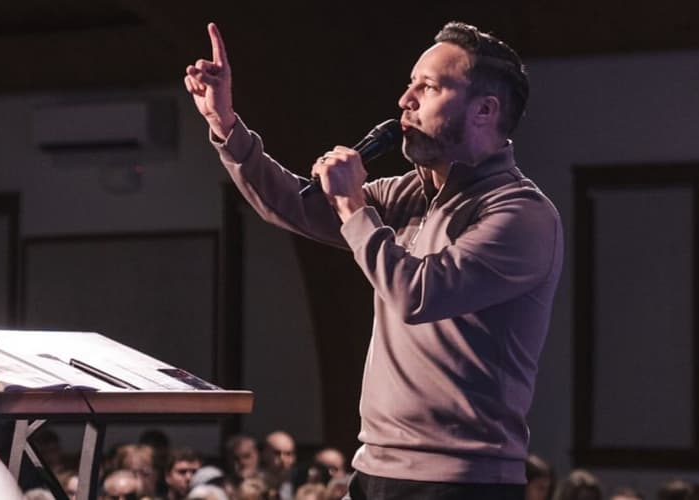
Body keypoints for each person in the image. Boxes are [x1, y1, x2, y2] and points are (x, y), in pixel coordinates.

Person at [185, 18, 563, 499]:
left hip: (459, 481)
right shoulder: (407, 192)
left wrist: (351, 207)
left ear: (484, 110)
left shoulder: (520, 214)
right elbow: (295, 204)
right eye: (409, 85)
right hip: (374, 467)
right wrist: (225, 125)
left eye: (427, 87)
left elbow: (418, 294)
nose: (405, 100)